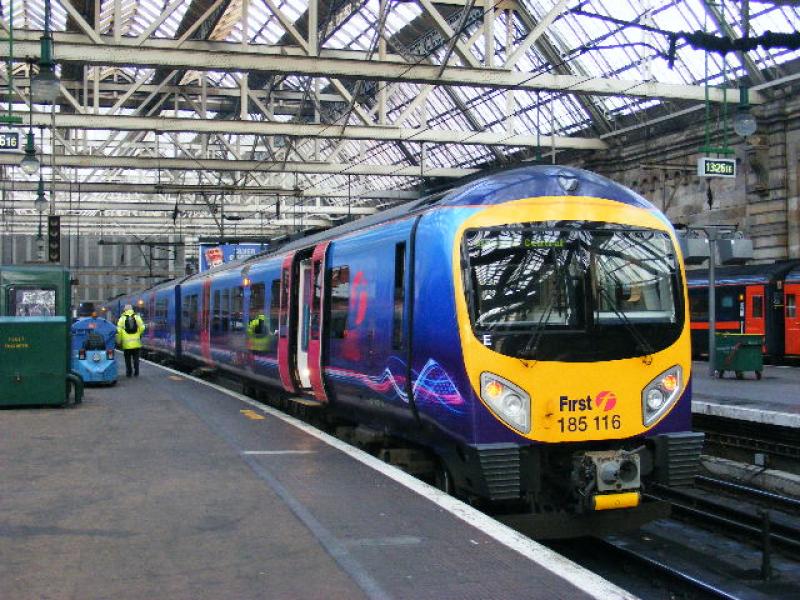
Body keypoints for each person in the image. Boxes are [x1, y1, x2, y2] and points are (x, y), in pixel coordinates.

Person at [116, 303, 145, 377]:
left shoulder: (122, 319)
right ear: (132, 309)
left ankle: (129, 372)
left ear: (125, 310)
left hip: (126, 344)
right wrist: (138, 333)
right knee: (136, 358)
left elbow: (118, 331)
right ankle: (136, 372)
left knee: (127, 359)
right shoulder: (137, 317)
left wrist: (119, 341)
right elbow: (142, 327)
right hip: (136, 343)